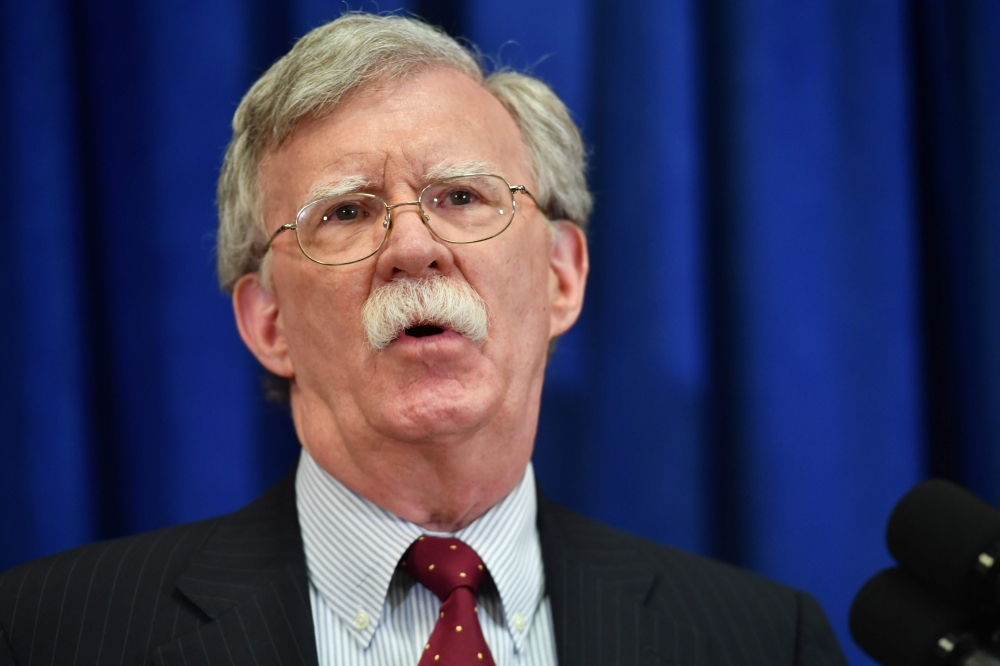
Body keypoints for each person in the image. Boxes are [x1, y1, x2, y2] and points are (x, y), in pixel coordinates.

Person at [0, 13, 846, 666]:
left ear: (561, 276)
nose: (412, 247)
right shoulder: (48, 635)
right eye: (346, 212)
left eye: (461, 198)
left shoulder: (763, 641)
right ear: (268, 321)